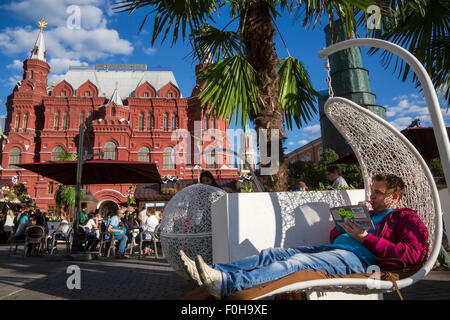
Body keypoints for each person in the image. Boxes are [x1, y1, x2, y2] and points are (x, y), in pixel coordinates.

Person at [180, 173, 428, 299]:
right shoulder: (370, 213)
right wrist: (347, 223)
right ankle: (216, 271)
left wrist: (366, 238)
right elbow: (334, 236)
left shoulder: (406, 218)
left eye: (378, 192)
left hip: (361, 259)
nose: (372, 196)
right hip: (338, 250)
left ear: (394, 197)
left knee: (296, 263)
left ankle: (227, 284)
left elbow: (413, 255)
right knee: (274, 253)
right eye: (372, 191)